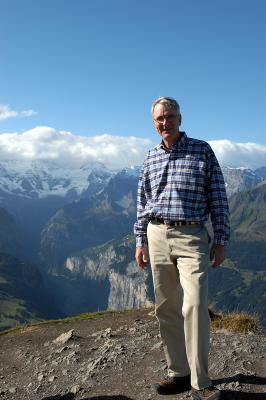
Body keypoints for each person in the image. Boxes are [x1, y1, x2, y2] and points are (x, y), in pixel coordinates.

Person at [134, 97, 230, 400]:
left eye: (170, 117)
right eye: (160, 119)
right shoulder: (149, 157)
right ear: (154, 123)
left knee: (195, 305)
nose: (165, 123)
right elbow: (142, 202)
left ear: (180, 118)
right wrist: (140, 240)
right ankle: (178, 372)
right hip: (157, 233)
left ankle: (201, 380)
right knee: (166, 308)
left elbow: (218, 197)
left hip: (192, 237)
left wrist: (221, 240)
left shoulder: (202, 151)